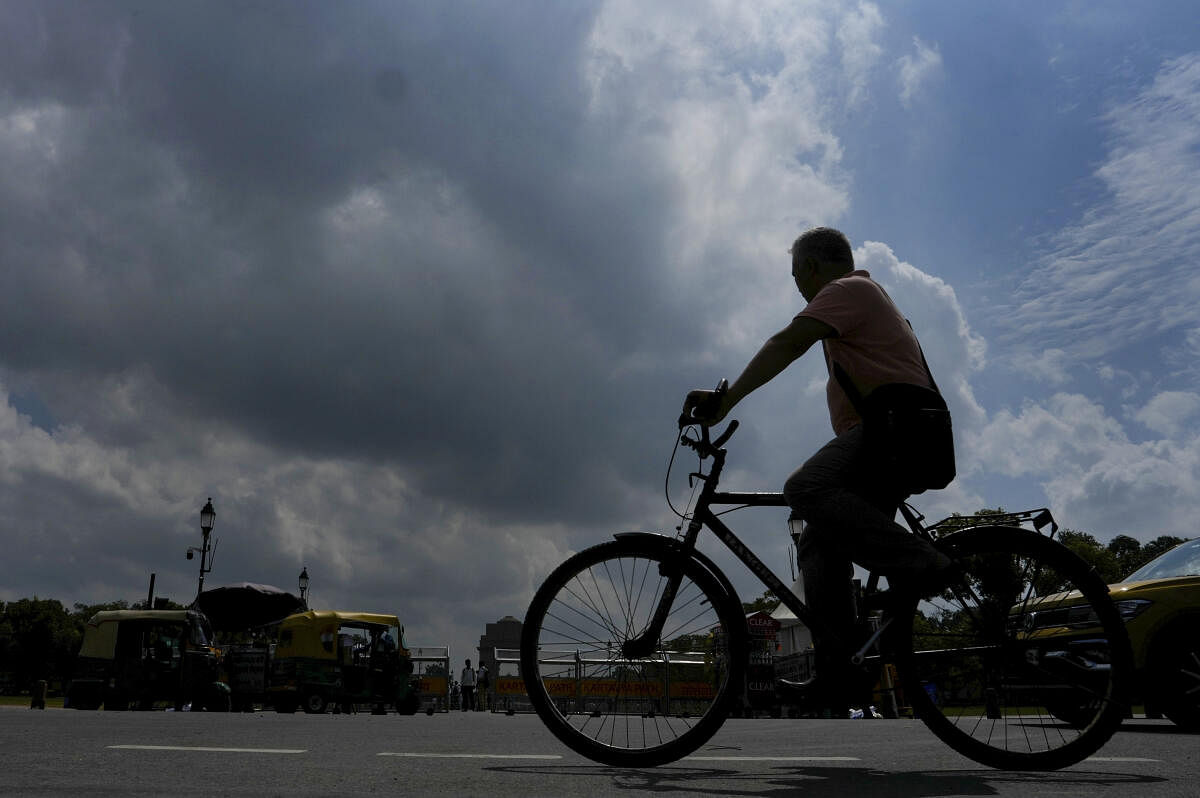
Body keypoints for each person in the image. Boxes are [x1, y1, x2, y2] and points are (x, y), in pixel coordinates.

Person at [684, 227, 955, 715]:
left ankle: (922, 561)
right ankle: (841, 672)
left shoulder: (848, 290)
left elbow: (788, 342)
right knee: (816, 542)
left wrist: (726, 401)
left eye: (795, 275)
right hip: (893, 437)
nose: (797, 287)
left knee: (804, 487)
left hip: (897, 433)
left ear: (811, 267)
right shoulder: (865, 301)